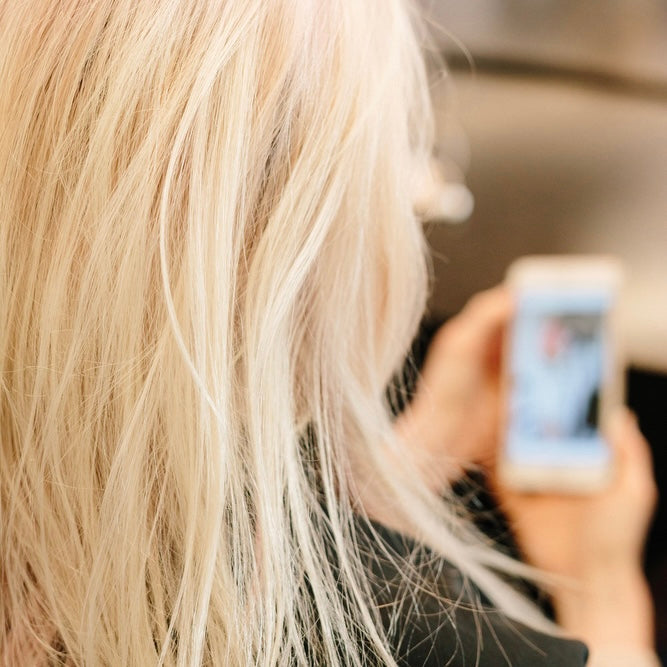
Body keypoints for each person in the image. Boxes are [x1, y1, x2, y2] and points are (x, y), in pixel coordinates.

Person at [0, 1, 658, 665]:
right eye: (405, 178)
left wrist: (405, 466)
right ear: (312, 240)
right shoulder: (441, 647)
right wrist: (601, 589)